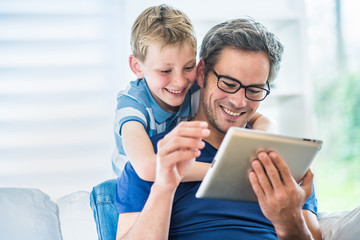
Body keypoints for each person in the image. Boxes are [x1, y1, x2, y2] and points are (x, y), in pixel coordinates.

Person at [115, 17, 322, 240]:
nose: (239, 101)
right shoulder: (159, 157)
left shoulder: (284, 162)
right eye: (228, 84)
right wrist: (164, 186)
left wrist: (289, 219)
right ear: (201, 73)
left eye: (254, 90)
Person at [112, 4, 275, 181]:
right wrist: (227, 170)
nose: (180, 81)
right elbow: (147, 168)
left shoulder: (194, 87)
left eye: (188, 67)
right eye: (165, 71)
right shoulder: (132, 105)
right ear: (137, 67)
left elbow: (260, 119)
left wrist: (262, 139)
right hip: (125, 186)